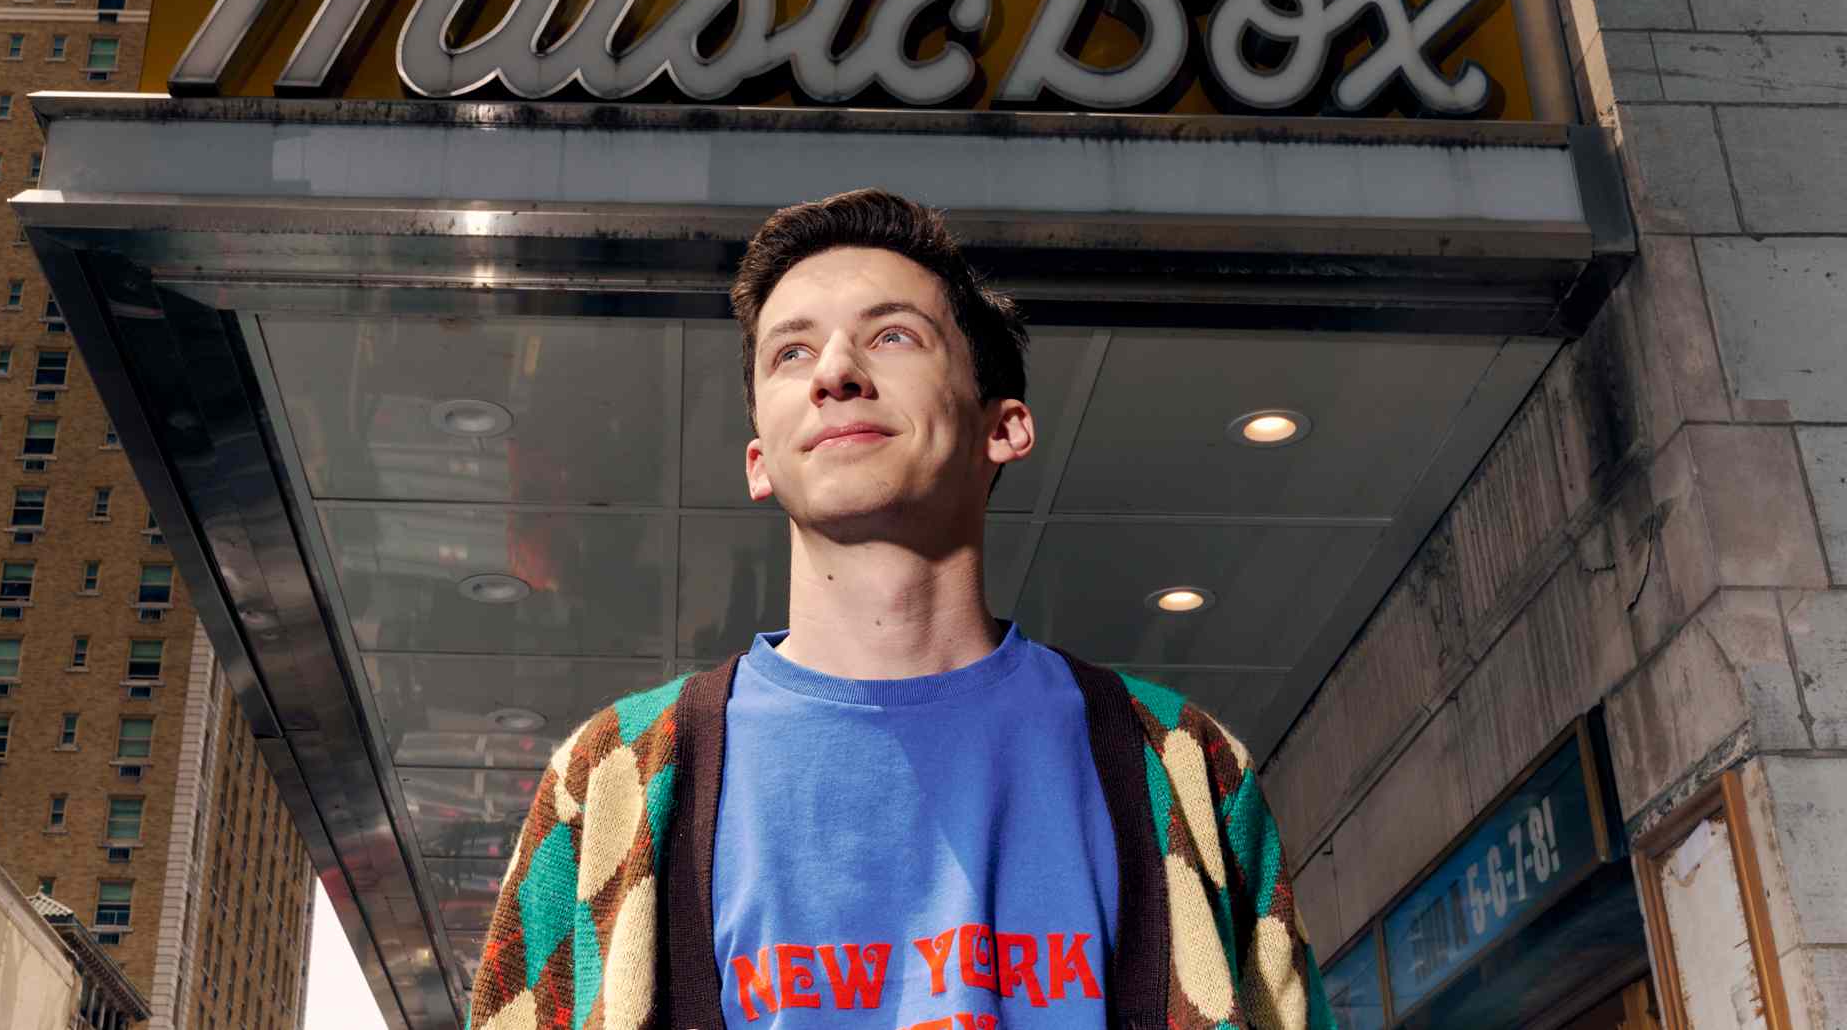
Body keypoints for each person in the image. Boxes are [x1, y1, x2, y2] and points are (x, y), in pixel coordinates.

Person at [468, 189, 1333, 1030]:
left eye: (892, 335)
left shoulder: (1187, 768)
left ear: (1005, 428)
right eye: (791, 354)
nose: (837, 373)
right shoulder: (611, 780)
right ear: (759, 461)